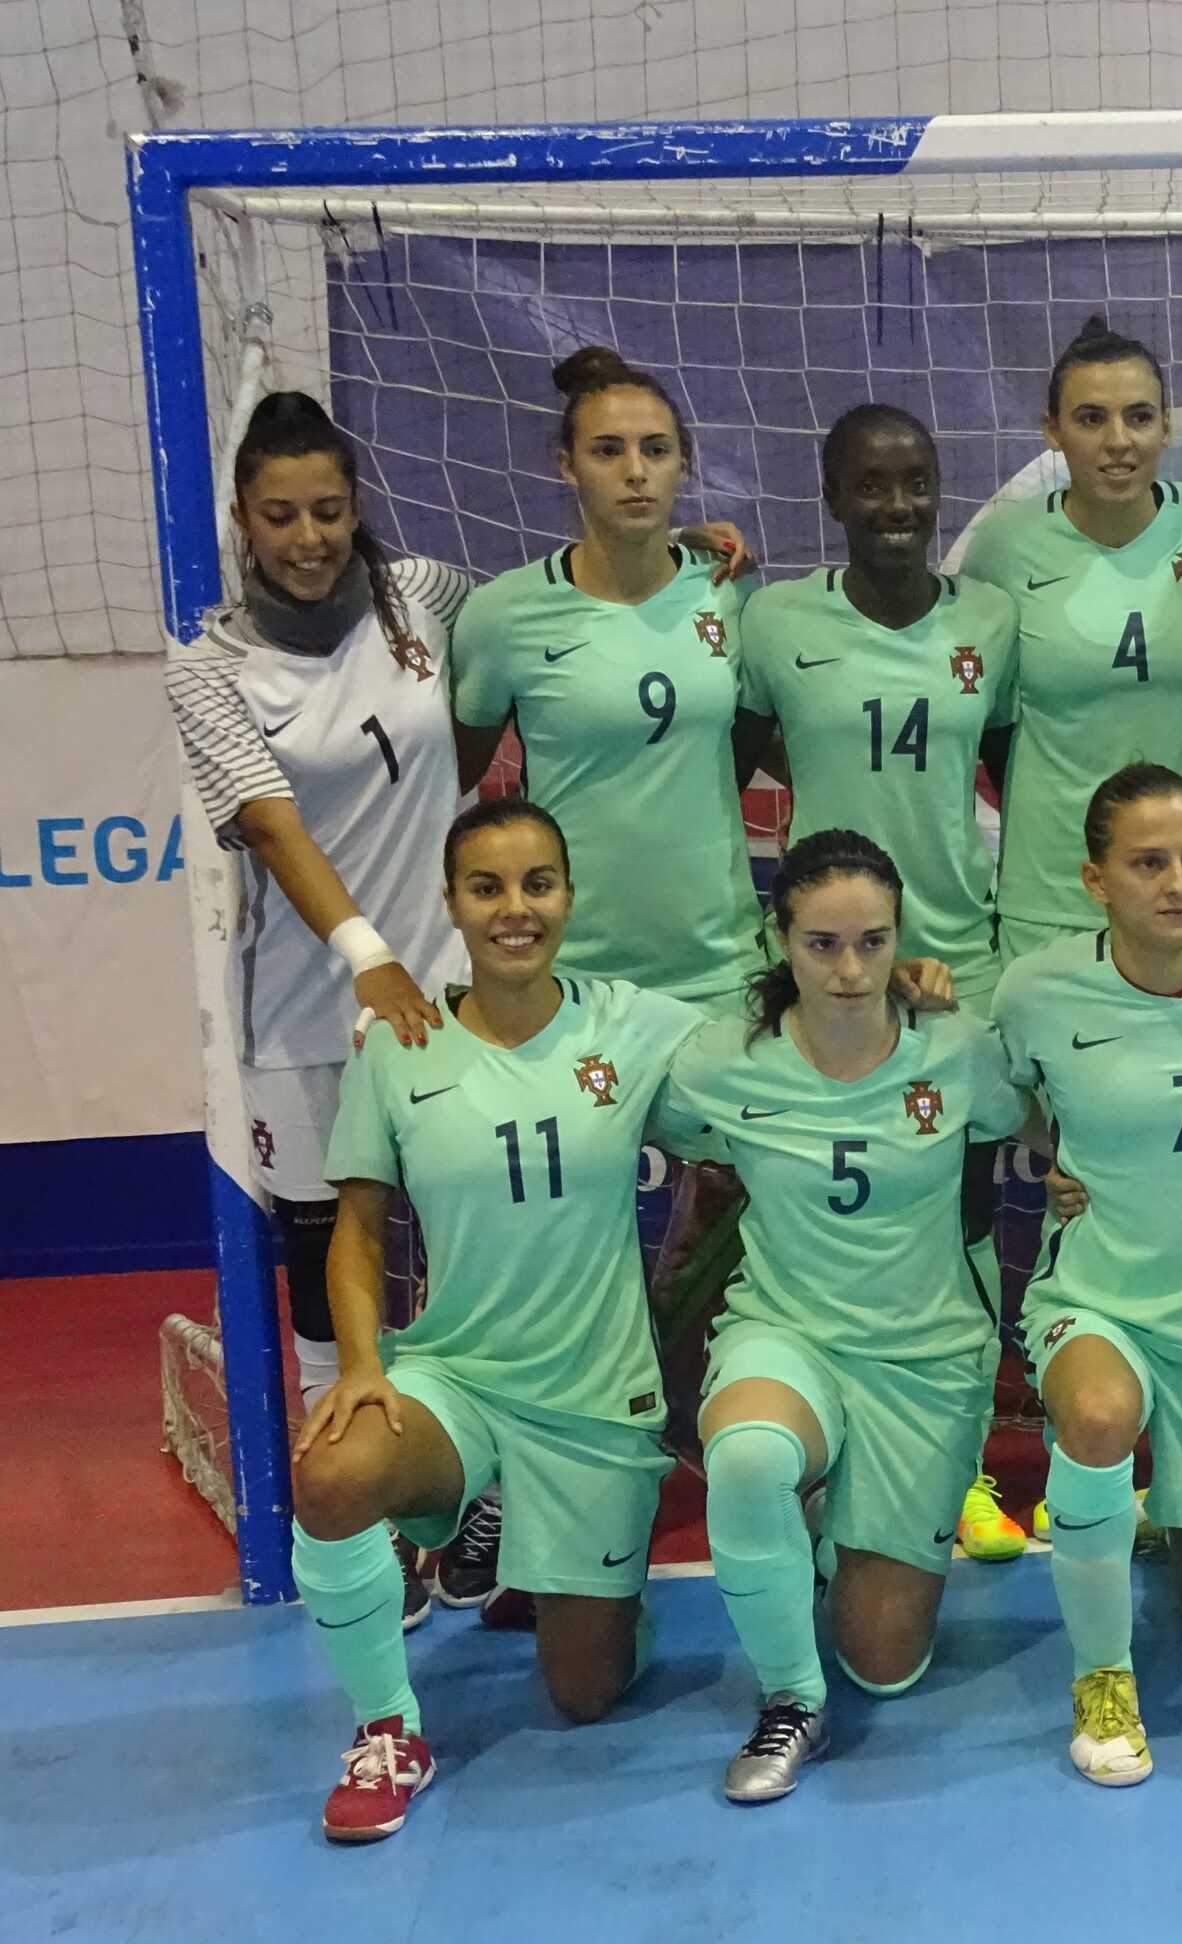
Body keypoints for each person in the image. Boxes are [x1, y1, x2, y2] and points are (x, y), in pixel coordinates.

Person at [288, 799, 705, 1843]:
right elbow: (359, 1230)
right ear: (452, 905)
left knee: (584, 1694)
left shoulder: (635, 1025)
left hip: (595, 1397)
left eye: (537, 884)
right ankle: (388, 1729)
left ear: (569, 896)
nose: (516, 908)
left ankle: (579, 1576)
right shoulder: (401, 1044)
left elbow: (785, 1053)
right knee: (333, 1472)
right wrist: (361, 1366)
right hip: (458, 1378)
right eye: (488, 888)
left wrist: (908, 989)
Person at [448, 345, 767, 1578]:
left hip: (714, 968)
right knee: (552, 1242)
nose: (635, 471)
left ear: (683, 466)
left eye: (655, 450)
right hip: (568, 986)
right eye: (608, 450)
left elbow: (735, 751)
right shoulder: (504, 618)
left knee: (747, 1203)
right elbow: (460, 784)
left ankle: (666, 1424)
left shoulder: (726, 596)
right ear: (564, 466)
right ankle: (502, 1476)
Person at [164, 390, 476, 1627]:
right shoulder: (207, 668)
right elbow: (274, 828)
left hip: (449, 996)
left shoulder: (425, 598)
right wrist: (366, 957)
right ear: (243, 521)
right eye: (281, 515)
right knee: (324, 1261)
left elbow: (551, 615)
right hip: (305, 1013)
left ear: (358, 508)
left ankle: (469, 1496)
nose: (308, 537)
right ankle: (355, 1513)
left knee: (467, 1245)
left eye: (329, 510)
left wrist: (686, 555)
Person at [661, 829, 1043, 1802]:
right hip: (786, 1333)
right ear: (780, 939)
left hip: (926, 1360)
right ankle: (791, 1699)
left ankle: (831, 1531)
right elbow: (624, 1105)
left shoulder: (955, 1049)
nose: (849, 970)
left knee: (884, 1662)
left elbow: (1040, 1124)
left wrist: (1081, 1177)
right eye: (822, 944)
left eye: (873, 942)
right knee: (750, 1458)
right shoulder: (723, 1061)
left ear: (901, 938)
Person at [735, 401, 1031, 1562]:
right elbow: (732, 758)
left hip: (960, 960)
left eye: (915, 482)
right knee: (831, 1215)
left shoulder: (990, 622)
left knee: (961, 1207)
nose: (897, 505)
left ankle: (962, 1464)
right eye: (871, 484)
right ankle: (826, 1442)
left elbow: (1014, 769)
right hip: (830, 970)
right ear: (831, 497)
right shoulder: (774, 622)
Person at [990, 765, 1182, 1786]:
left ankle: (1159, 1510)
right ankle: (1103, 1680)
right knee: (1096, 1418)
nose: (1177, 882)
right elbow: (997, 1096)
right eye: (1147, 863)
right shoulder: (1037, 991)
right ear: (1096, 880)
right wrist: (1053, 1149)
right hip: (1097, 1298)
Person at [960, 316, 1182, 963]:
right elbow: (986, 715)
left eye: (1139, 417)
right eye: (1091, 419)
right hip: (1052, 891)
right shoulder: (1004, 547)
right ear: (1052, 430)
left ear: (1166, 426)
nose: (1118, 441)